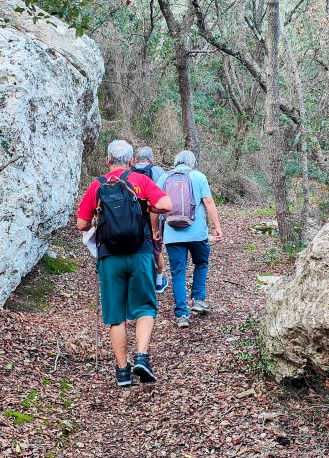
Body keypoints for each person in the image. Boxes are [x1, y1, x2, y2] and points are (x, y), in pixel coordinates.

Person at [76, 140, 172, 387]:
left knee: (115, 314)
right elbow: (166, 205)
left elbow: (81, 224)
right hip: (140, 253)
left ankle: (122, 372)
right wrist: (146, 206)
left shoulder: (97, 186)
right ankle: (141, 356)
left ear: (107, 160)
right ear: (131, 162)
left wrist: (98, 216)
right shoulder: (140, 181)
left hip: (109, 257)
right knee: (146, 308)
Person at [156, 150, 223, 329]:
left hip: (172, 235)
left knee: (178, 272)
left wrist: (155, 230)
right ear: (191, 162)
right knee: (201, 263)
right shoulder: (198, 176)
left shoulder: (163, 179)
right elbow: (208, 202)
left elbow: (154, 207)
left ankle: (182, 315)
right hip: (197, 233)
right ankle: (198, 300)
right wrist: (217, 226)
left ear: (176, 162)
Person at [131, 146, 169, 295]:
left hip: (132, 219)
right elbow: (164, 198)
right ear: (151, 159)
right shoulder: (157, 171)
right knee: (156, 250)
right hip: (153, 219)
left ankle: (136, 281)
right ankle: (158, 282)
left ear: (134, 159)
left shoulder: (129, 171)